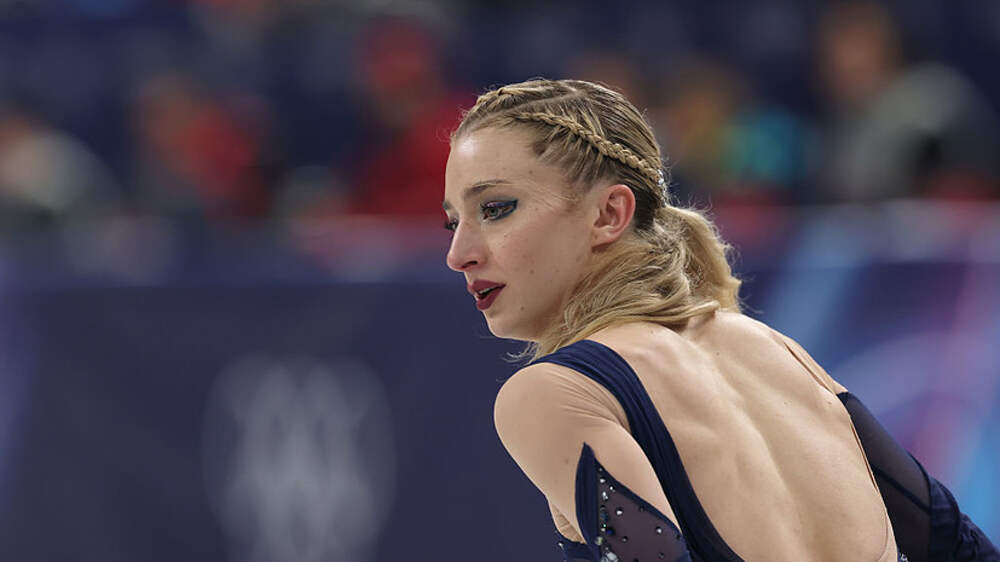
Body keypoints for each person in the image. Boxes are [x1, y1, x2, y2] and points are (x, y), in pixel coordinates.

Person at [441, 79, 998, 562]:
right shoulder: (774, 349)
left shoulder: (554, 393)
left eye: (495, 209)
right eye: (453, 223)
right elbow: (957, 545)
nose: (459, 253)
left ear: (610, 214)